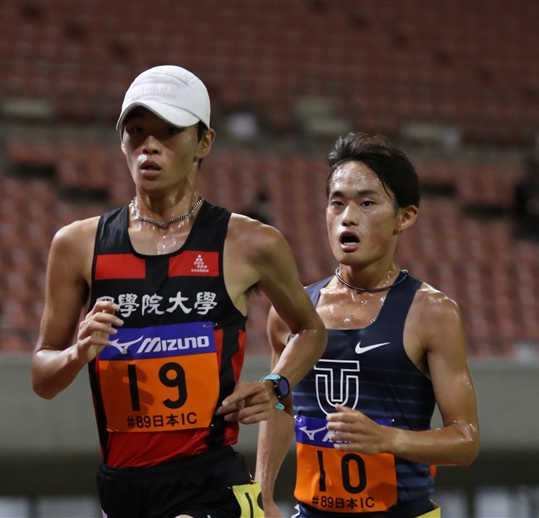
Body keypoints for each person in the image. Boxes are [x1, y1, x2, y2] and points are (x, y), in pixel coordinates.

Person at [30, 65, 327, 518]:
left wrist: (277, 384)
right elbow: (41, 376)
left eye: (169, 131)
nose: (149, 145)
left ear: (204, 142)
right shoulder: (77, 245)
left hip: (207, 479)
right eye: (136, 130)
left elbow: (310, 330)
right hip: (121, 485)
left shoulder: (250, 243)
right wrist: (76, 352)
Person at [256, 133, 480, 517]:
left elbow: (465, 441)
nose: (348, 216)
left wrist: (386, 439)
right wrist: (263, 491)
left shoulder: (432, 313)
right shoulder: (292, 312)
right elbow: (282, 406)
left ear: (405, 217)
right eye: (337, 203)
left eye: (367, 202)